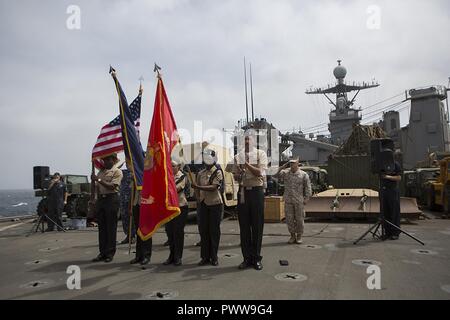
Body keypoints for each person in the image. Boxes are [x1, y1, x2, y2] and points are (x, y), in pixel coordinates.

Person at [228, 133, 268, 271]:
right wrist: (239, 173)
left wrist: (246, 164)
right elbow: (235, 177)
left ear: (253, 141)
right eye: (244, 140)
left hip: (256, 191)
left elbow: (259, 173)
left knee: (257, 226)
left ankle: (256, 258)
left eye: (248, 140)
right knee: (244, 227)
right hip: (243, 192)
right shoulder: (237, 157)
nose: (246, 142)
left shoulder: (260, 154)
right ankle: (246, 258)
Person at [191, 150, 224, 266]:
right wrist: (197, 194)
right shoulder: (201, 173)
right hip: (203, 204)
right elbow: (196, 189)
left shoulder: (218, 172)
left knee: (214, 231)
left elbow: (214, 187)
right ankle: (205, 257)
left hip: (215, 204)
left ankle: (214, 257)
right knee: (204, 231)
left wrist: (198, 186)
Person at [91, 154, 123, 263]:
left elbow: (112, 186)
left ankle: (110, 253)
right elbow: (97, 187)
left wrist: (98, 179)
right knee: (102, 228)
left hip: (111, 199)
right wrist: (95, 198)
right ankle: (102, 252)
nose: (105, 161)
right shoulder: (102, 171)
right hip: (102, 200)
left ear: (114, 160)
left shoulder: (117, 172)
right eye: (104, 159)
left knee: (111, 228)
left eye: (108, 159)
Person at [276, 158, 312, 244]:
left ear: (297, 163)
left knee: (299, 219)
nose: (291, 165)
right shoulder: (285, 173)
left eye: (293, 163)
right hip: (288, 200)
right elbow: (274, 174)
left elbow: (308, 187)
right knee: (289, 219)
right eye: (290, 163)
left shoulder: (303, 174)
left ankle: (299, 236)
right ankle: (292, 236)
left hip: (299, 200)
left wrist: (307, 198)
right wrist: (283, 166)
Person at [163, 161, 189, 266]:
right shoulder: (166, 176)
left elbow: (176, 189)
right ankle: (171, 255)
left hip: (180, 207)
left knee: (178, 232)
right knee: (169, 232)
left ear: (178, 166)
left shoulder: (182, 176)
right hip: (169, 207)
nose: (171, 167)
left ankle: (178, 257)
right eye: (170, 166)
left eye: (173, 166)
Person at [381, 151, 402, 240]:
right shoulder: (382, 165)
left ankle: (395, 232)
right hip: (384, 190)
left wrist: (387, 177)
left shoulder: (395, 164)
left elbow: (399, 177)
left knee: (394, 212)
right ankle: (387, 232)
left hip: (392, 190)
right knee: (385, 212)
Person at [129, 187, 152, 265]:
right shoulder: (135, 176)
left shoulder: (149, 175)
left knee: (146, 231)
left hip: (146, 203)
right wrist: (131, 206)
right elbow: (132, 191)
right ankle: (138, 256)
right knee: (138, 232)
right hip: (136, 203)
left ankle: (146, 255)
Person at [119, 169, 135, 245]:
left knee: (132, 219)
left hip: (131, 200)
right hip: (123, 200)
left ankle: (132, 236)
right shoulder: (123, 172)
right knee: (125, 218)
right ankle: (128, 235)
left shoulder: (136, 172)